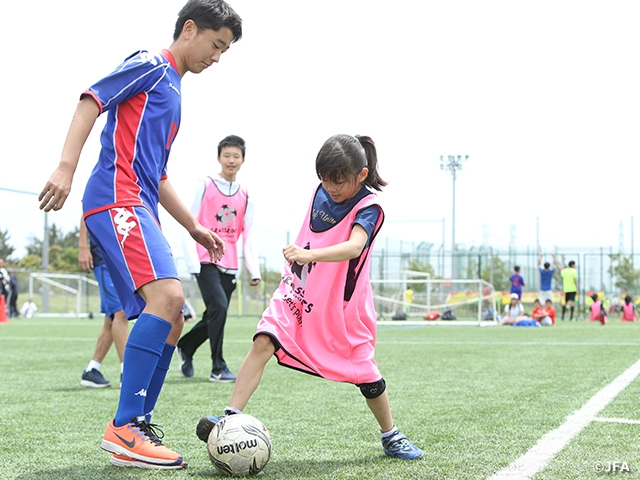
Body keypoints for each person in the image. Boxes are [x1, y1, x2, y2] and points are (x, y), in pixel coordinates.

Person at [38, 0, 241, 469]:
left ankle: (139, 425)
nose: (217, 57)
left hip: (140, 204)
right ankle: (125, 428)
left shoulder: (175, 91)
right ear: (189, 29)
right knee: (168, 296)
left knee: (173, 315)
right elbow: (92, 98)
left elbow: (159, 173)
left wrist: (193, 225)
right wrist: (66, 167)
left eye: (225, 51)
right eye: (215, 45)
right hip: (115, 198)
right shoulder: (150, 64)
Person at [196, 134, 423, 460]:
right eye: (325, 180)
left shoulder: (369, 207)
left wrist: (309, 254)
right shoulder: (321, 190)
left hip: (340, 308)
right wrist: (303, 258)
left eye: (339, 182)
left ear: (361, 175)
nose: (331, 188)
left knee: (366, 374)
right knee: (263, 340)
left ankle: (391, 435)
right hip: (297, 291)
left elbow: (354, 246)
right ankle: (229, 415)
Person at [176, 135, 261, 382]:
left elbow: (249, 232)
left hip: (230, 264)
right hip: (205, 258)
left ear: (243, 160)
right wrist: (192, 262)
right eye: (227, 155)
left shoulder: (246, 195)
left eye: (236, 156)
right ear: (218, 158)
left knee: (215, 312)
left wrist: (253, 269)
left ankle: (187, 346)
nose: (231, 160)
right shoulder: (205, 185)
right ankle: (217, 367)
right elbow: (188, 221)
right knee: (220, 308)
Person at [79, 216, 129, 388]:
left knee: (111, 319)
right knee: (120, 312)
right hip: (102, 256)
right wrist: (83, 247)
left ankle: (91, 370)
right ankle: (127, 372)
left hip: (121, 255)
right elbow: (85, 212)